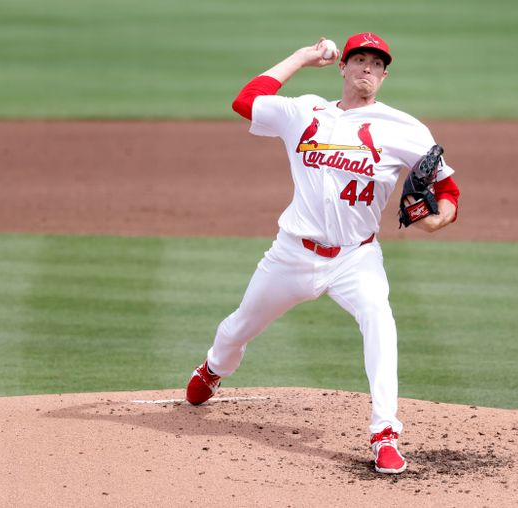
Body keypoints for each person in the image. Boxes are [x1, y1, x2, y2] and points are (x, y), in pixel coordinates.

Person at [185, 32, 461, 474]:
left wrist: (438, 219)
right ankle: (213, 369)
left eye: (377, 63)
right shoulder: (305, 111)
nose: (368, 68)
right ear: (344, 67)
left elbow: (447, 189)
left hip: (357, 258)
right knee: (239, 327)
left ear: (385, 74)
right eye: (360, 60)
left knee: (380, 323)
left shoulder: (404, 127)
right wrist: (302, 55)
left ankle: (385, 433)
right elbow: (245, 100)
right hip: (292, 253)